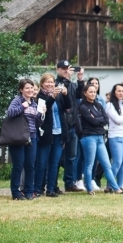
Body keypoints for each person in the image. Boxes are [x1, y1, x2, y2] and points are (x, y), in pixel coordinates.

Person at [78, 84, 122, 195]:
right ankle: (89, 188)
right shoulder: (83, 107)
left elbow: (106, 119)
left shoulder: (98, 105)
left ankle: (116, 188)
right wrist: (98, 120)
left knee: (106, 164)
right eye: (90, 92)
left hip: (100, 137)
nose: (93, 94)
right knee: (90, 164)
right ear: (85, 93)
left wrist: (97, 119)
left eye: (94, 92)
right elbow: (92, 121)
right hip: (89, 137)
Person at [6, 78, 43, 200]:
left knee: (30, 165)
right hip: (18, 136)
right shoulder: (17, 100)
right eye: (27, 88)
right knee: (18, 165)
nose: (30, 90)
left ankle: (29, 191)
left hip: (31, 136)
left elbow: (38, 123)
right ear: (21, 90)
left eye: (32, 88)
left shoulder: (34, 103)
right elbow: (10, 113)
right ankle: (15, 193)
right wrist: (22, 107)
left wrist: (42, 114)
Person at [35, 74, 70, 197]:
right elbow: (43, 110)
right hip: (46, 133)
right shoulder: (39, 96)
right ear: (42, 83)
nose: (50, 84)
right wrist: (53, 96)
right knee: (42, 163)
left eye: (52, 82)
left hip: (59, 132)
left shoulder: (59, 95)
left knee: (54, 163)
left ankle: (51, 189)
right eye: (47, 82)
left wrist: (66, 95)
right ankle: (38, 189)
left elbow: (68, 106)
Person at [54, 60, 85, 192]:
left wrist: (79, 80)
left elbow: (79, 95)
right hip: (61, 125)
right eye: (63, 68)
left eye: (67, 68)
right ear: (57, 70)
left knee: (72, 156)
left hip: (73, 123)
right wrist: (67, 80)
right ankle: (52, 185)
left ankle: (69, 183)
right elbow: (61, 100)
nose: (66, 70)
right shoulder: (55, 84)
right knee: (56, 157)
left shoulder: (71, 84)